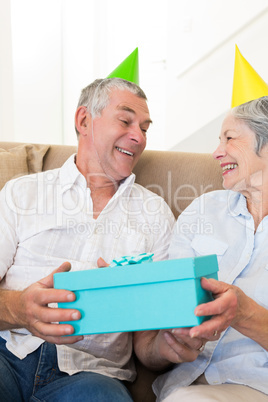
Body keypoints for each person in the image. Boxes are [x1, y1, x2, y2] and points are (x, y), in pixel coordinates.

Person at [0, 75, 174, 401]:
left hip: (92, 376)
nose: (138, 136)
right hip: (8, 355)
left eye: (145, 128)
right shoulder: (21, 194)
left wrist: (174, 343)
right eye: (125, 120)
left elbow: (150, 344)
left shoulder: (156, 214)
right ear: (84, 120)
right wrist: (19, 309)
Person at [134, 47, 268, 401]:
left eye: (229, 138)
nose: (216, 152)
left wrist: (246, 314)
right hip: (182, 384)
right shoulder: (203, 211)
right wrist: (164, 342)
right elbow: (156, 334)